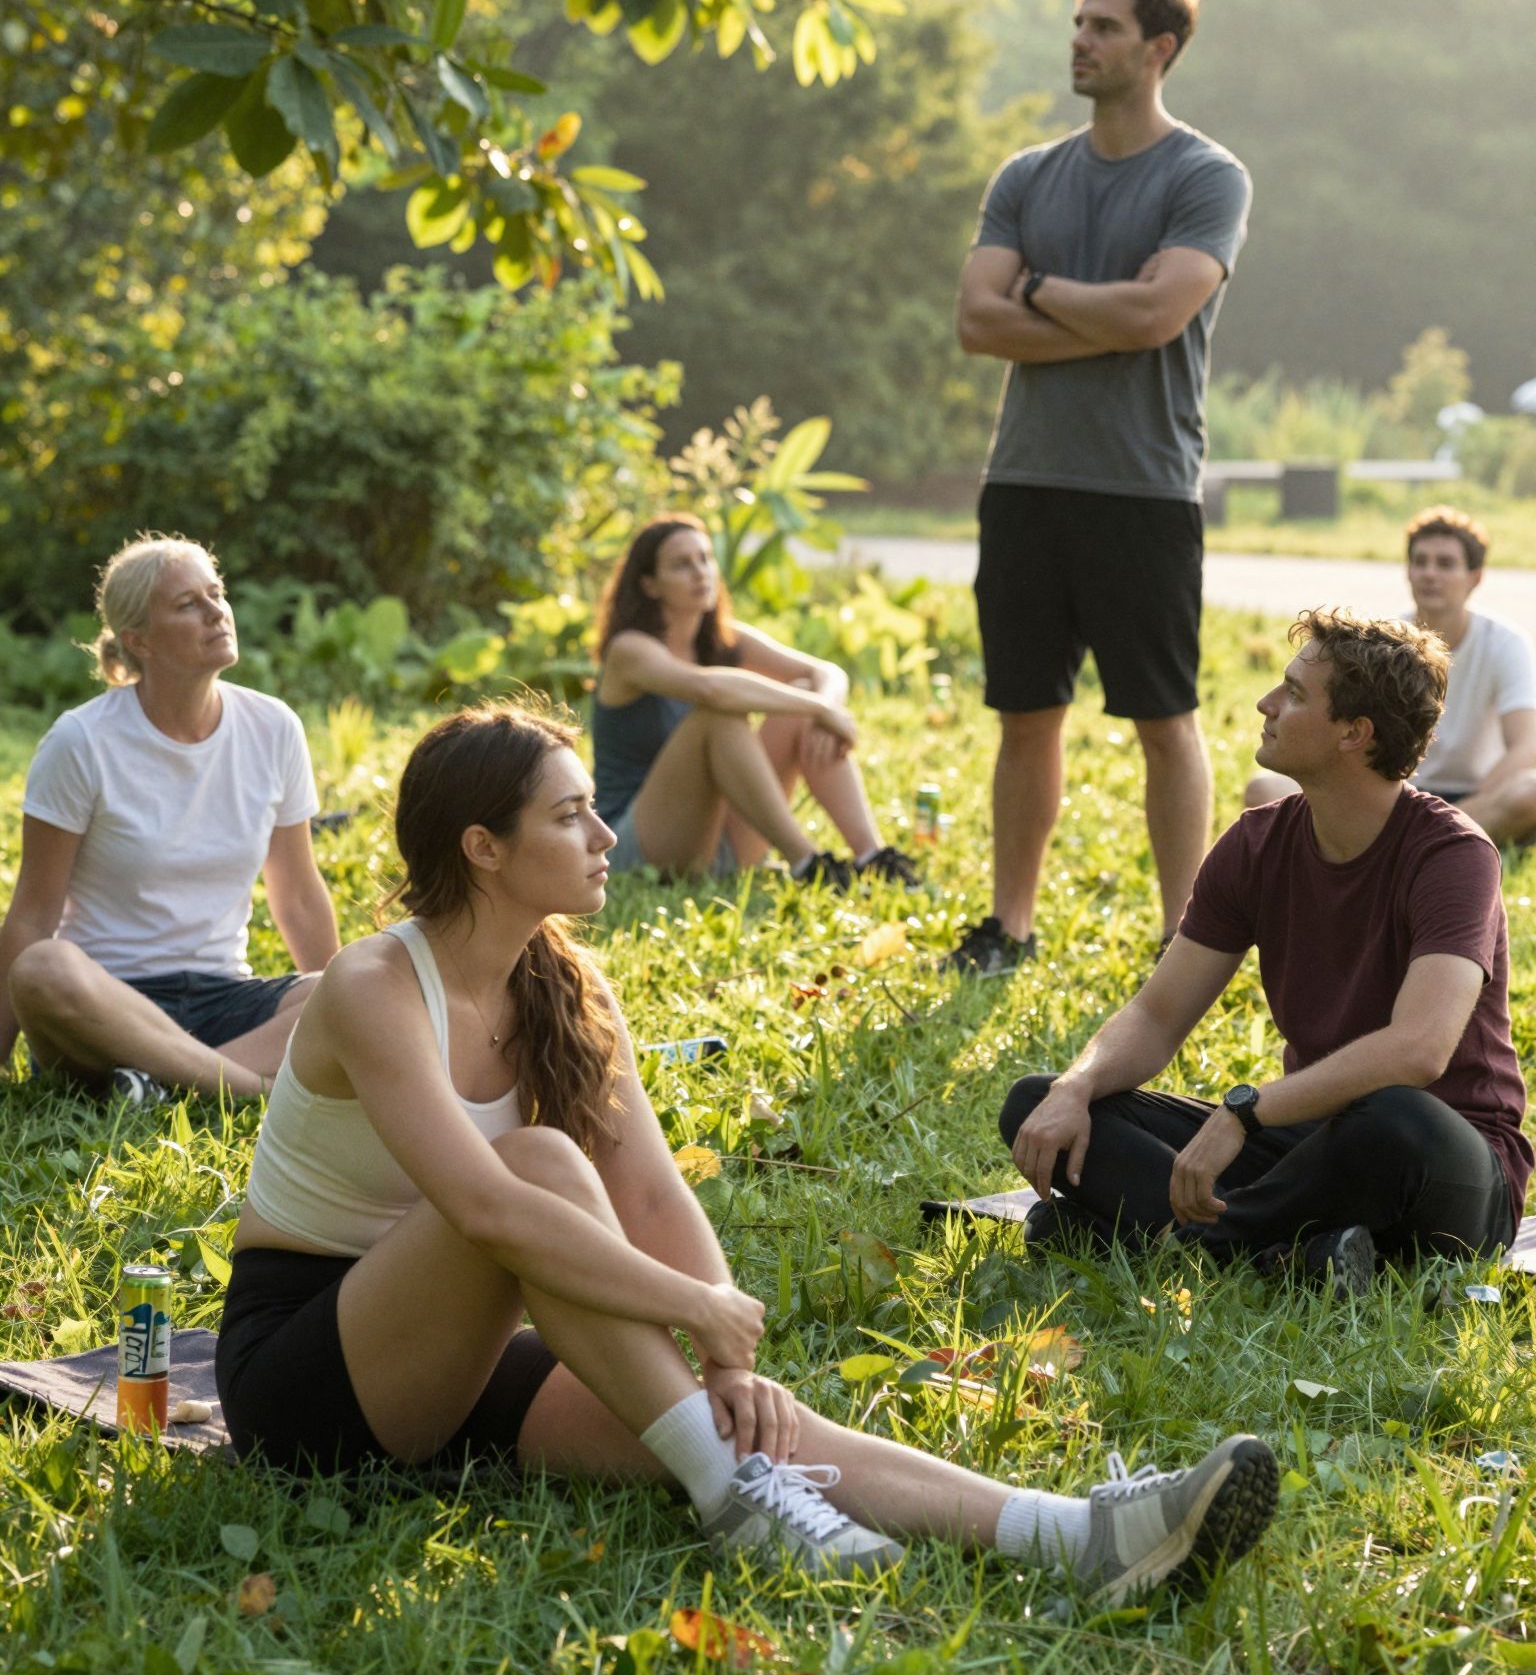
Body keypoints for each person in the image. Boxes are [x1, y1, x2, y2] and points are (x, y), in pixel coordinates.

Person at [215, 699, 1278, 1594]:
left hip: (467, 1356)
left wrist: (728, 1354)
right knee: (538, 1167)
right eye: (572, 815)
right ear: (482, 846)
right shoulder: (372, 985)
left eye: (595, 809)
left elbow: (651, 1189)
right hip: (311, 1374)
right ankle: (741, 1510)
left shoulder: (564, 983)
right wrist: (693, 1307)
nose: (606, 836)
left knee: (743, 1425)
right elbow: (489, 1210)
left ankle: (1081, 1534)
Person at [1001, 611, 1531, 1293]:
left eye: (1295, 694)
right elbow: (1158, 1016)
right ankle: (1280, 1256)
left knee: (1394, 1117)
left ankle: (1167, 1239)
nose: (1266, 704)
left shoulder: (1453, 856)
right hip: (1309, 1146)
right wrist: (1074, 1089)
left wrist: (1245, 1111)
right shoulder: (1256, 843)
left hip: (1446, 1164)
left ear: (1354, 733)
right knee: (1037, 1103)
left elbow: (1419, 1050)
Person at [948, 0, 1252, 975]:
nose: (1082, 39)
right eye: (1079, 22)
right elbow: (975, 321)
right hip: (1027, 483)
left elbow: (1162, 312)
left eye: (1106, 27)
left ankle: (1185, 939)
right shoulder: (1028, 175)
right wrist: (1104, 311)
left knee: (1164, 720)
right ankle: (1010, 927)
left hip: (1144, 489)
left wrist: (1040, 290)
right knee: (1025, 713)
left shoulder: (1206, 176)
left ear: (1159, 48)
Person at [0, 534, 338, 1100]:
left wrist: (347, 1004)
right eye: (187, 604)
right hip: (104, 1003)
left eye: (216, 593)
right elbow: (33, 916)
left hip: (227, 998)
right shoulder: (81, 743)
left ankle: (157, 1085)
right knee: (42, 969)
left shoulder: (274, 728)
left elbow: (299, 895)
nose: (216, 613)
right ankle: (244, 1088)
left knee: (353, 986)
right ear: (139, 640)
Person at [591, 515, 916, 888]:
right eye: (682, 564)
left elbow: (827, 672)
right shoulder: (630, 650)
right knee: (720, 715)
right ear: (649, 584)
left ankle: (872, 857)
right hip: (639, 845)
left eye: (705, 558)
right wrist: (821, 708)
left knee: (800, 706)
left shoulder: (725, 640)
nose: (701, 573)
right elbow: (710, 690)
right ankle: (807, 864)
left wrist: (821, 710)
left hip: (722, 845)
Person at [1245, 507, 1536, 843]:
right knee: (1263, 789)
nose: (1429, 573)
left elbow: (1526, 746)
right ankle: (1424, 839)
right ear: (1407, 571)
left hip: (1477, 795)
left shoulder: (1505, 643)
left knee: (1530, 791)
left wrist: (1457, 814)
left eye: (1445, 564)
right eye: (1420, 561)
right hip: (1389, 794)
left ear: (1475, 577)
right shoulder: (1383, 644)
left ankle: (1425, 837)